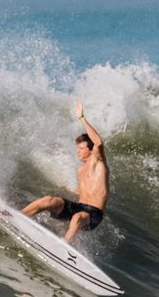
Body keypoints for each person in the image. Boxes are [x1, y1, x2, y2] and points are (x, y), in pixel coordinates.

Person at [21, 100, 110, 244]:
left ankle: (65, 247)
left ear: (90, 150)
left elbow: (98, 142)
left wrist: (82, 117)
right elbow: (84, 192)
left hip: (93, 214)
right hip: (78, 207)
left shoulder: (98, 162)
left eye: (81, 149)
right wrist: (67, 188)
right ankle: (18, 217)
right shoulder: (80, 170)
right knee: (48, 200)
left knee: (77, 218)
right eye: (77, 149)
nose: (78, 152)